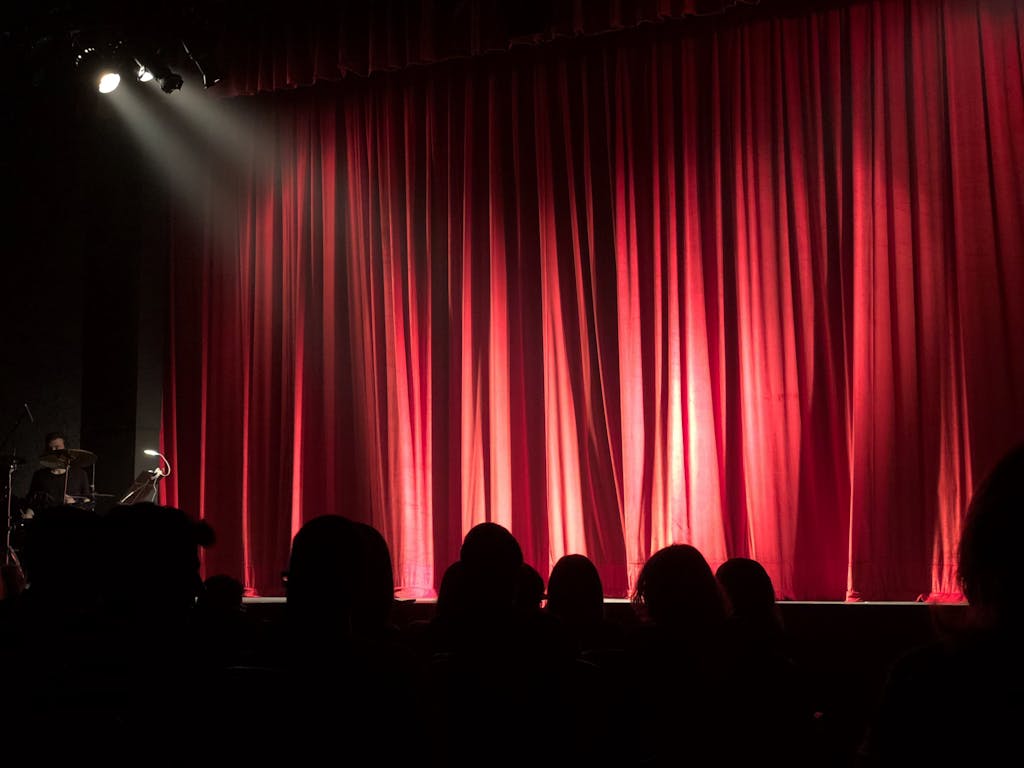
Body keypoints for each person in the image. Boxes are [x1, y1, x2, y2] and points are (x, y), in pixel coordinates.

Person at [24, 431, 91, 516]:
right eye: (50, 449)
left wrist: (74, 504)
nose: (53, 451)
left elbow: (87, 502)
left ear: (66, 449)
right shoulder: (39, 475)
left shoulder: (81, 474)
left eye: (57, 447)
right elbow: (32, 503)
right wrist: (28, 514)